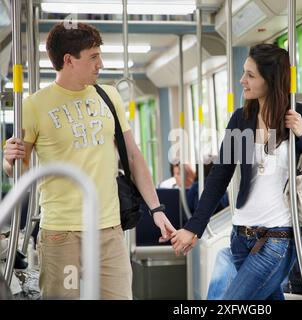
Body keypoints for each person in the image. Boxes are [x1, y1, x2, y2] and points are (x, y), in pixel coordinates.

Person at [2, 22, 175, 299]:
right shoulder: (34, 106)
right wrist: (9, 160)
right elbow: (17, 169)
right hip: (62, 234)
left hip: (108, 230)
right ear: (69, 60)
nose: (100, 63)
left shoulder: (109, 96)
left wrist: (157, 210)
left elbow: (133, 156)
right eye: (93, 56)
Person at [171, 43, 302, 300]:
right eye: (243, 73)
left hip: (276, 239)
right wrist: (194, 227)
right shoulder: (241, 119)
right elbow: (219, 176)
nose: (242, 81)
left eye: (250, 75)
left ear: (270, 80)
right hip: (239, 237)